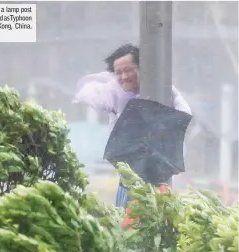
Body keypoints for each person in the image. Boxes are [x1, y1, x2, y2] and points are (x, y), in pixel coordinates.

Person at [73, 44, 192, 208]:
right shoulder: (114, 93)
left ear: (142, 68)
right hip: (127, 179)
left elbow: (182, 114)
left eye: (128, 70)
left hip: (158, 178)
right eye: (118, 72)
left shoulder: (164, 92)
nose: (123, 76)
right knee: (125, 222)